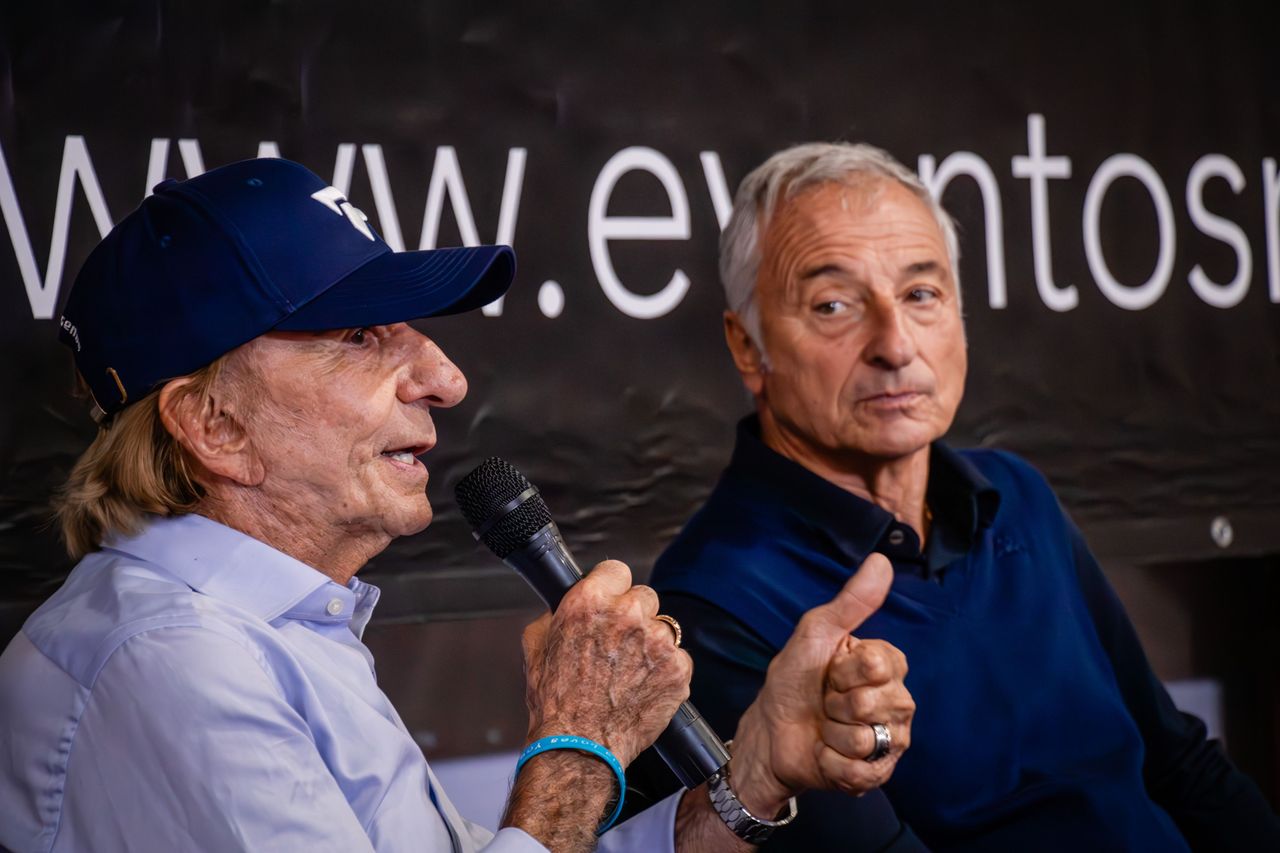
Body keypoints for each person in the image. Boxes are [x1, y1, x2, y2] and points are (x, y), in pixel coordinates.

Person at [0, 157, 915, 853]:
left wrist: (747, 780)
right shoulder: (169, 659)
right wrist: (577, 743)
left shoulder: (276, 630)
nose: (444, 377)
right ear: (213, 423)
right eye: (361, 336)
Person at [638, 142, 1280, 851]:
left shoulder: (1017, 494)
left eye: (921, 294)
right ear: (747, 347)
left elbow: (1180, 763)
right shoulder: (711, 602)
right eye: (834, 305)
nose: (895, 345)